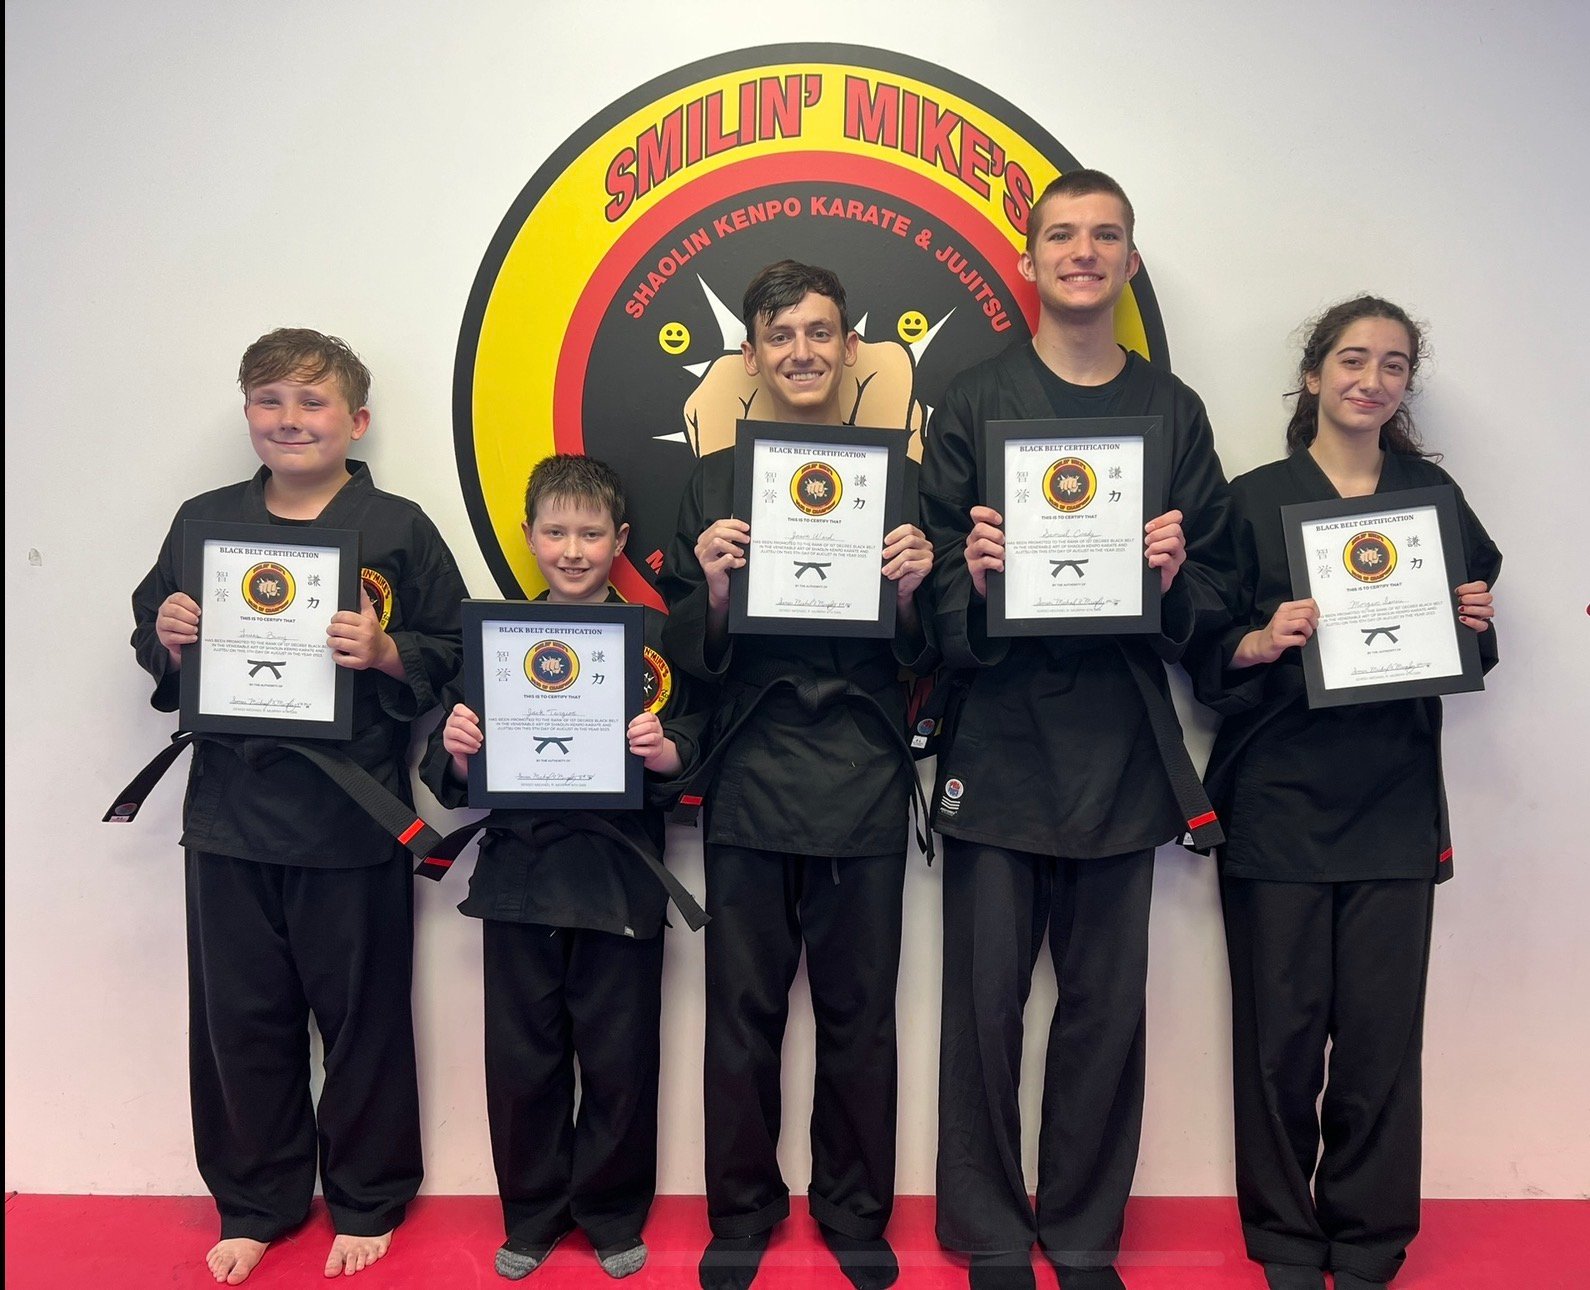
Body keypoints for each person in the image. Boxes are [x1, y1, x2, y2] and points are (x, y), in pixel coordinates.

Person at [918, 170, 1235, 1290]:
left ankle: (1086, 1227)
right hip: (999, 743)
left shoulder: (1172, 409)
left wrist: (1170, 576)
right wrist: (973, 575)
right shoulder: (972, 399)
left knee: (1107, 1010)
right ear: (1027, 260)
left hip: (1121, 748)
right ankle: (993, 1228)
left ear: (1130, 262)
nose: (1084, 252)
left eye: (1106, 236)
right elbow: (924, 597)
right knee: (985, 1007)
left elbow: (1216, 596)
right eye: (1063, 235)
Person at [127, 328, 466, 1284]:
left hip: (350, 816)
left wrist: (390, 653)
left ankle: (367, 1195)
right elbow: (152, 632)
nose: (290, 419)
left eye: (313, 403)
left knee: (363, 1018)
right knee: (240, 1017)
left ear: (355, 421)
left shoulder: (396, 526)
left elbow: (450, 646)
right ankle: (257, 1200)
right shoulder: (204, 521)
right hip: (230, 812)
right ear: (247, 416)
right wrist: (172, 634)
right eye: (270, 401)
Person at [1191, 297, 1499, 1290]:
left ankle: (1367, 1239)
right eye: (1353, 360)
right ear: (1313, 376)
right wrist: (1257, 639)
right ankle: (1283, 1237)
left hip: (1394, 806)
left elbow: (1472, 637)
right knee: (1277, 1044)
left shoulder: (1433, 502)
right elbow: (1206, 652)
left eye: (1395, 365)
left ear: (1405, 388)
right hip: (1276, 801)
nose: (1372, 378)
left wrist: (1474, 616)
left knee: (1377, 1045)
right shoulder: (1248, 502)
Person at [657, 260, 936, 1290]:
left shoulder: (902, 481)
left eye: (821, 333)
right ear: (752, 354)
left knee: (861, 1015)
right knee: (744, 1010)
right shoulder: (709, 480)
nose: (803, 352)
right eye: (781, 337)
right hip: (751, 770)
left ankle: (855, 1209)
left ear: (851, 346)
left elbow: (924, 654)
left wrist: (913, 592)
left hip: (861, 768)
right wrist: (718, 591)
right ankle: (742, 1211)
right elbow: (690, 655)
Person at [416, 454, 709, 1282]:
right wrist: (462, 752)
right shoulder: (497, 638)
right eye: (556, 531)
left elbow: (693, 752)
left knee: (620, 1061)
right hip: (518, 880)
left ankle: (612, 1212)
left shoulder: (656, 638)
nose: (572, 549)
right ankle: (535, 1215)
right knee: (523, 1062)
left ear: (618, 540)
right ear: (529, 535)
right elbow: (457, 775)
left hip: (620, 879)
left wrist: (661, 752)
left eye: (590, 533)